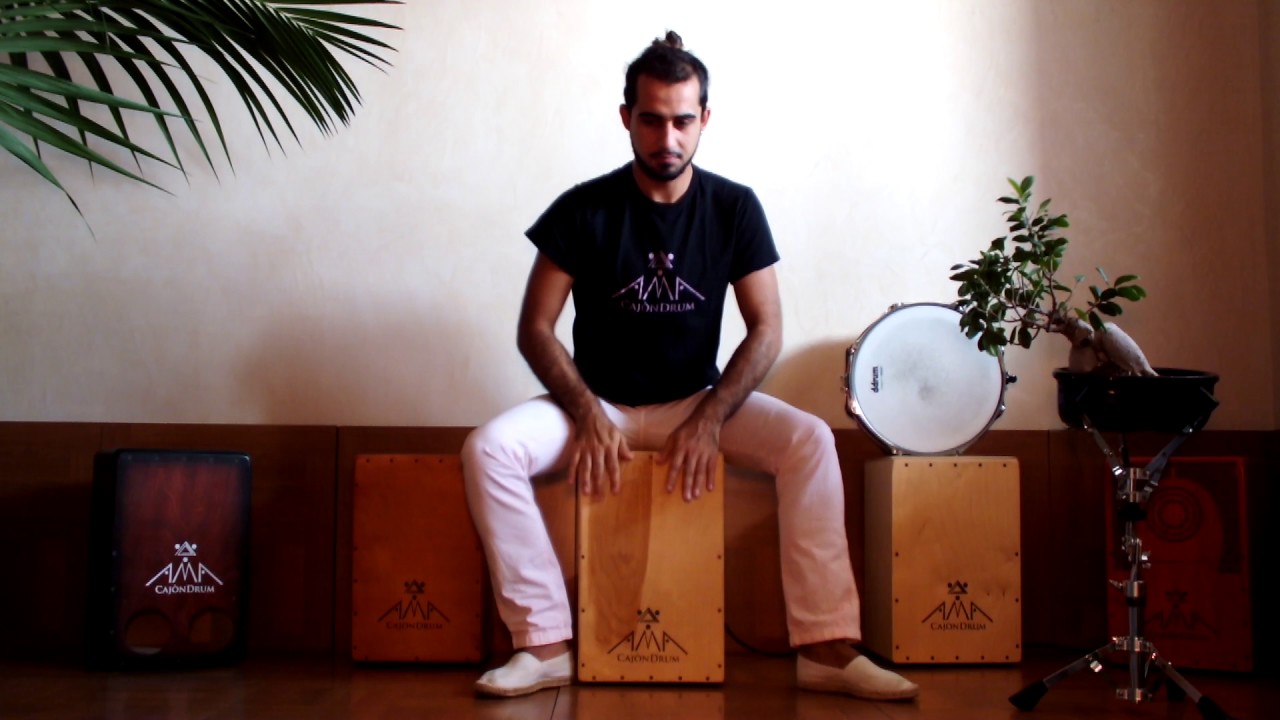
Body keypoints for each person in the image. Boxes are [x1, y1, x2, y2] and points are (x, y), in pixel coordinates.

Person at [461, 30, 918, 702]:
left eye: (681, 120)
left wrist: (709, 420)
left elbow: (766, 329)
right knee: (488, 450)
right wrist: (586, 411)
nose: (667, 138)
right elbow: (535, 328)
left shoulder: (734, 208)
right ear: (627, 118)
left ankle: (826, 648)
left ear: (705, 118)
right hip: (598, 405)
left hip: (696, 402)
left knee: (811, 440)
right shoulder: (583, 208)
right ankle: (543, 643)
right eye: (651, 120)